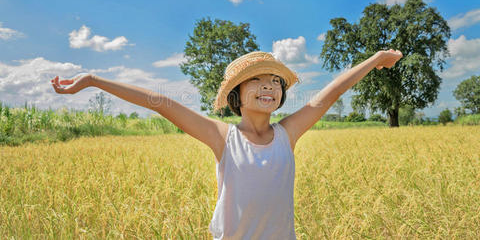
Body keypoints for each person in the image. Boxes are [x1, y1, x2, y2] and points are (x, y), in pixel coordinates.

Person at [51, 48, 403, 239]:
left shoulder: (287, 134)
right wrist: (95, 80)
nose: (268, 86)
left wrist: (375, 61)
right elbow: (158, 101)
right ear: (236, 94)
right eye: (256, 80)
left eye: (274, 82)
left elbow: (329, 95)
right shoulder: (222, 137)